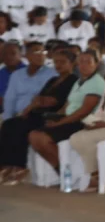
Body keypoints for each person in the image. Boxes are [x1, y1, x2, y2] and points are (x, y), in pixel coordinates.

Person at [0, 49, 76, 185]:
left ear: (72, 64)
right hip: (37, 113)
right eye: (56, 62)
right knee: (9, 124)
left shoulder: (73, 80)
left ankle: (19, 167)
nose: (58, 65)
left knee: (21, 128)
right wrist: (28, 109)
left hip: (51, 116)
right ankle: (6, 166)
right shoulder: (53, 79)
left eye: (62, 62)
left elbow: (54, 101)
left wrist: (41, 101)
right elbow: (38, 98)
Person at [28, 51, 105, 171]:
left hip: (82, 122)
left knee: (41, 138)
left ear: (96, 64)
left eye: (88, 62)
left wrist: (60, 122)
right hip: (68, 119)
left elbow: (83, 111)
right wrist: (56, 116)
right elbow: (67, 105)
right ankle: (60, 168)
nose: (83, 65)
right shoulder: (79, 81)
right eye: (80, 62)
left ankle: (67, 171)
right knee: (33, 134)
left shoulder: (96, 82)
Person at [67, 58, 105, 190]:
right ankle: (96, 173)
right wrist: (92, 121)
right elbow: (101, 109)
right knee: (75, 138)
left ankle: (96, 176)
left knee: (84, 138)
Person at [2, 42, 56, 121]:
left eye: (43, 52)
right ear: (26, 55)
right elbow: (10, 99)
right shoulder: (17, 75)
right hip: (16, 115)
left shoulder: (54, 74)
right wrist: (8, 119)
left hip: (40, 116)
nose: (41, 55)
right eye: (37, 52)